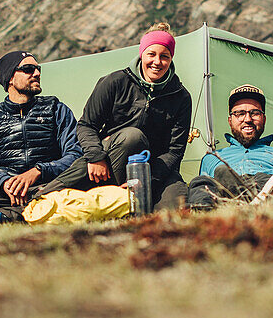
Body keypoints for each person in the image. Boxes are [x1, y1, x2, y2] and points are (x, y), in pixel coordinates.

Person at [39, 22, 192, 211]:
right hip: (109, 158)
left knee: (176, 207)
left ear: (171, 59)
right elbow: (87, 125)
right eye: (151, 54)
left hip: (155, 169)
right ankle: (28, 205)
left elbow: (174, 151)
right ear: (141, 54)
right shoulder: (115, 82)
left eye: (164, 56)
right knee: (132, 137)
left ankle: (130, 205)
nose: (157, 62)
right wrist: (95, 156)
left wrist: (145, 180)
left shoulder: (180, 96)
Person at [0, 50, 83, 218]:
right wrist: (2, 181)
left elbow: (74, 154)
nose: (37, 73)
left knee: (84, 166)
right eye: (28, 69)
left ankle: (6, 214)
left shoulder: (56, 108)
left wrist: (38, 171)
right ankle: (28, 208)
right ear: (10, 78)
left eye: (38, 69)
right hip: (7, 190)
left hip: (49, 183)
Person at [188, 84, 273, 208]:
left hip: (264, 192)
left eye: (255, 113)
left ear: (264, 119)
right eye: (240, 113)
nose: (248, 119)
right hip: (221, 195)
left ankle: (244, 198)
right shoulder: (212, 157)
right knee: (200, 182)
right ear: (230, 120)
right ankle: (206, 212)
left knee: (270, 178)